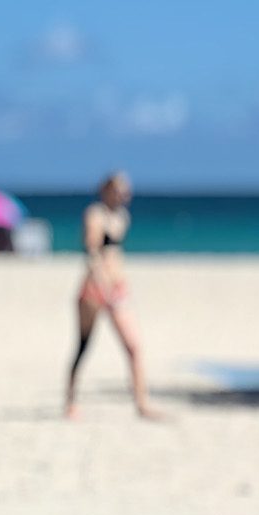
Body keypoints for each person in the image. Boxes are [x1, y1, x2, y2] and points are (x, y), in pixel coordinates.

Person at [64, 171, 159, 420]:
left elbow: (115, 254)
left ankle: (142, 403)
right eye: (119, 189)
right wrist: (102, 283)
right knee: (84, 345)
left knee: (134, 346)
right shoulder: (95, 215)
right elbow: (92, 252)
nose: (124, 194)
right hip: (94, 289)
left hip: (117, 289)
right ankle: (70, 401)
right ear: (107, 189)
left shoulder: (122, 217)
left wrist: (118, 284)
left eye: (126, 190)